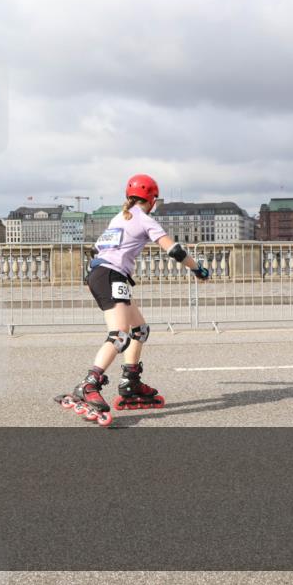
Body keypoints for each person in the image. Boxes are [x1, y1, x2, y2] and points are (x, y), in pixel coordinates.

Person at [60, 174, 209, 426]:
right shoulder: (144, 219)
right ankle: (89, 384)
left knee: (139, 330)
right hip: (111, 275)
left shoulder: (120, 217)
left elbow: (99, 248)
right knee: (119, 335)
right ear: (152, 200)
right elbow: (174, 250)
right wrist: (198, 270)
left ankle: (131, 382)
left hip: (103, 274)